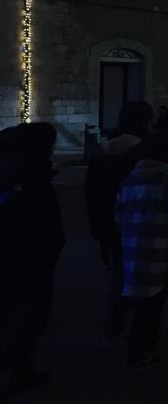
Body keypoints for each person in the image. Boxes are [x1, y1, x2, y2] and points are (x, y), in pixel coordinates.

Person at [114, 135, 168, 369]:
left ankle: (138, 343)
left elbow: (118, 214)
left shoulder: (129, 179)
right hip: (160, 247)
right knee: (153, 304)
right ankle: (141, 350)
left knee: (139, 301)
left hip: (132, 247)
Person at [0, 123, 63, 393]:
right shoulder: (28, 182)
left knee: (23, 318)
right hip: (28, 262)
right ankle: (15, 368)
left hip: (27, 259)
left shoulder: (20, 179)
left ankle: (20, 368)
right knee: (26, 318)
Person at [84, 100, 153, 347]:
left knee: (120, 274)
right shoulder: (140, 150)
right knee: (140, 278)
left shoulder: (106, 148)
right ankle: (130, 331)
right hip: (135, 222)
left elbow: (92, 192)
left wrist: (98, 226)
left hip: (110, 222)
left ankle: (114, 327)